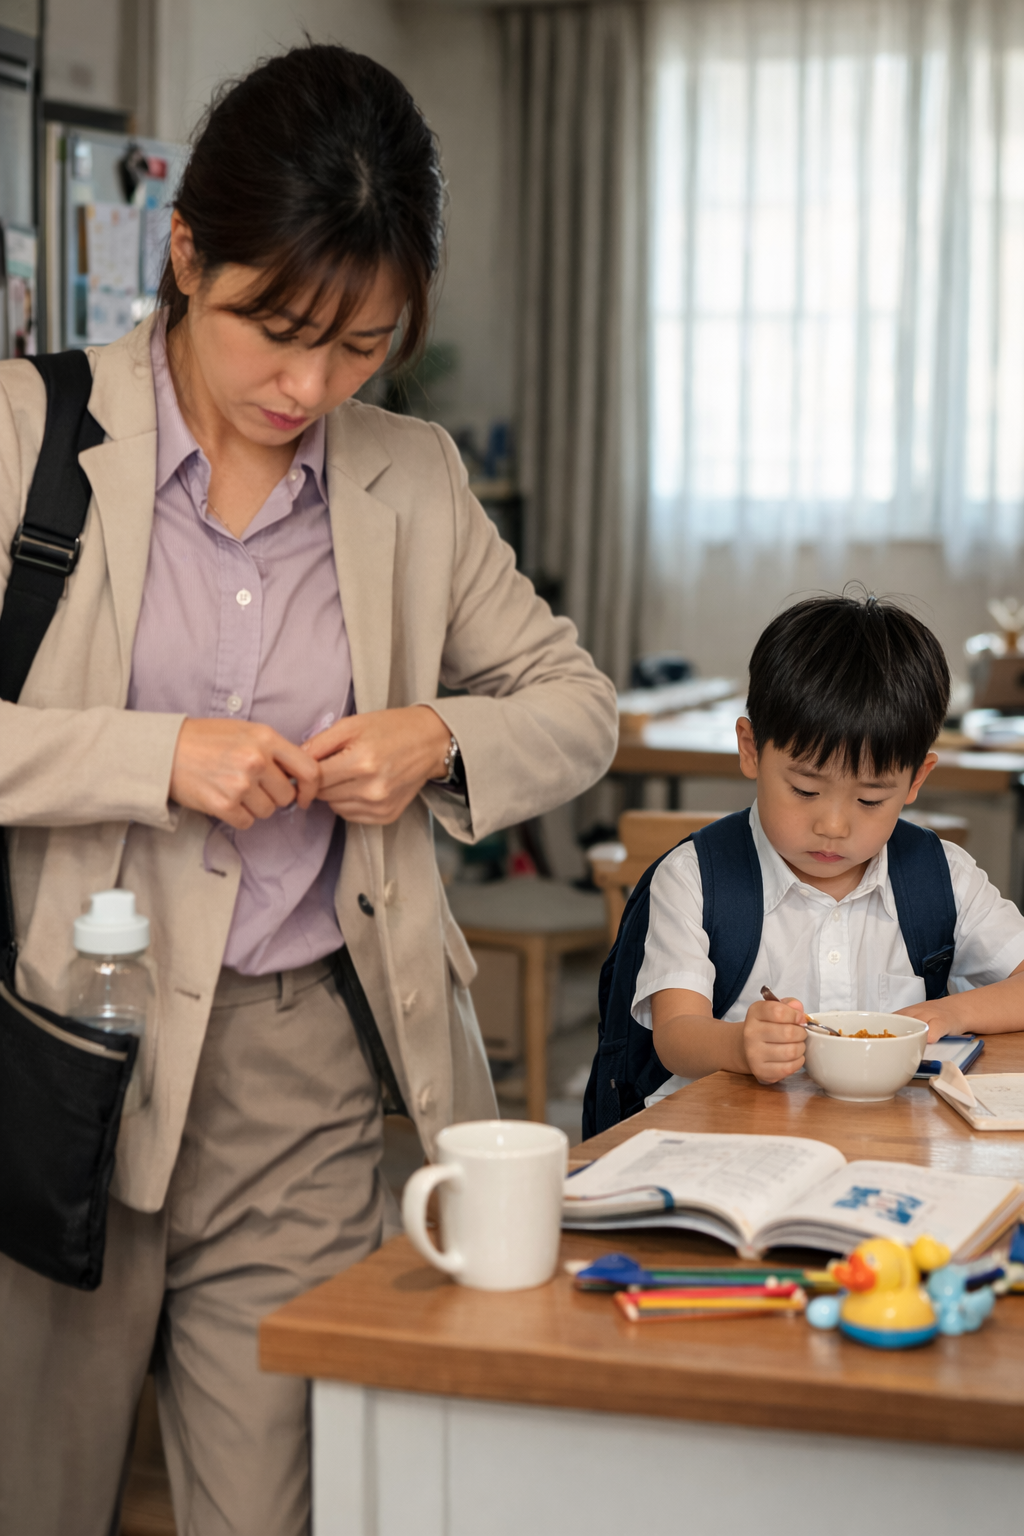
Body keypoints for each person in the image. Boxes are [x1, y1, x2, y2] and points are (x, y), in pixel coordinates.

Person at [0, 44, 617, 1536]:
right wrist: (155, 756)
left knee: (271, 1514)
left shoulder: (412, 476)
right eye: (273, 329)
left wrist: (436, 739)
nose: (305, 386)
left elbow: (578, 708)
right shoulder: (27, 434)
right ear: (185, 252)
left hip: (301, 1085)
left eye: (358, 347)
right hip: (48, 1060)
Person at [635, 593, 1024, 1098]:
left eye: (869, 799)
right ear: (751, 749)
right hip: (732, 1144)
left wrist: (951, 1011)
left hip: (887, 1142)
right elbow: (675, 1035)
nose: (834, 825)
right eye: (805, 791)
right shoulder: (694, 878)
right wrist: (740, 1045)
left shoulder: (941, 876)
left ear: (915, 781)